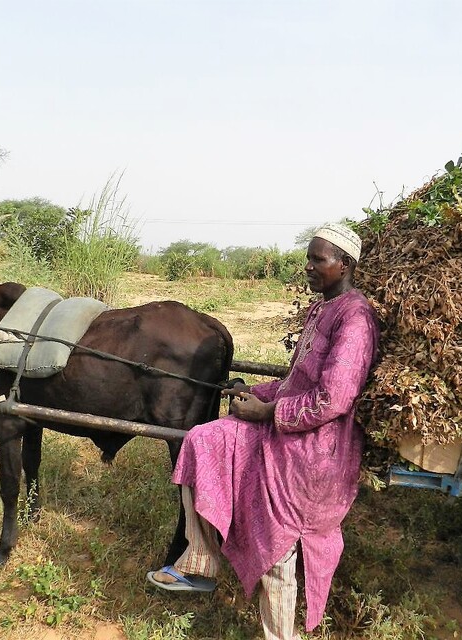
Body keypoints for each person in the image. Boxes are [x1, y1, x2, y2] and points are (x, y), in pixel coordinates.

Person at [146, 222, 380, 640]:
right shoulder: (321, 308)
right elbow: (297, 382)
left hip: (316, 452)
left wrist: (267, 412)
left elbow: (332, 399)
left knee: (278, 546)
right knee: (200, 439)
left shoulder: (355, 319)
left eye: (317, 260)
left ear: (344, 265)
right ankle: (201, 560)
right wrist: (251, 392)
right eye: (307, 257)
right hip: (291, 429)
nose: (307, 267)